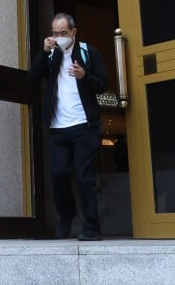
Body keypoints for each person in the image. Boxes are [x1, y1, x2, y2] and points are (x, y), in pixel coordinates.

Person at [28, 12, 108, 241]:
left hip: (84, 125)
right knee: (58, 174)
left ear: (73, 32)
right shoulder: (51, 55)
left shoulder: (88, 52)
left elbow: (103, 84)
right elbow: (33, 78)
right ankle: (66, 217)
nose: (59, 37)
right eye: (55, 33)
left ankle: (91, 227)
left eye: (63, 33)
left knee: (85, 176)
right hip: (58, 127)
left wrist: (85, 76)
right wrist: (43, 53)